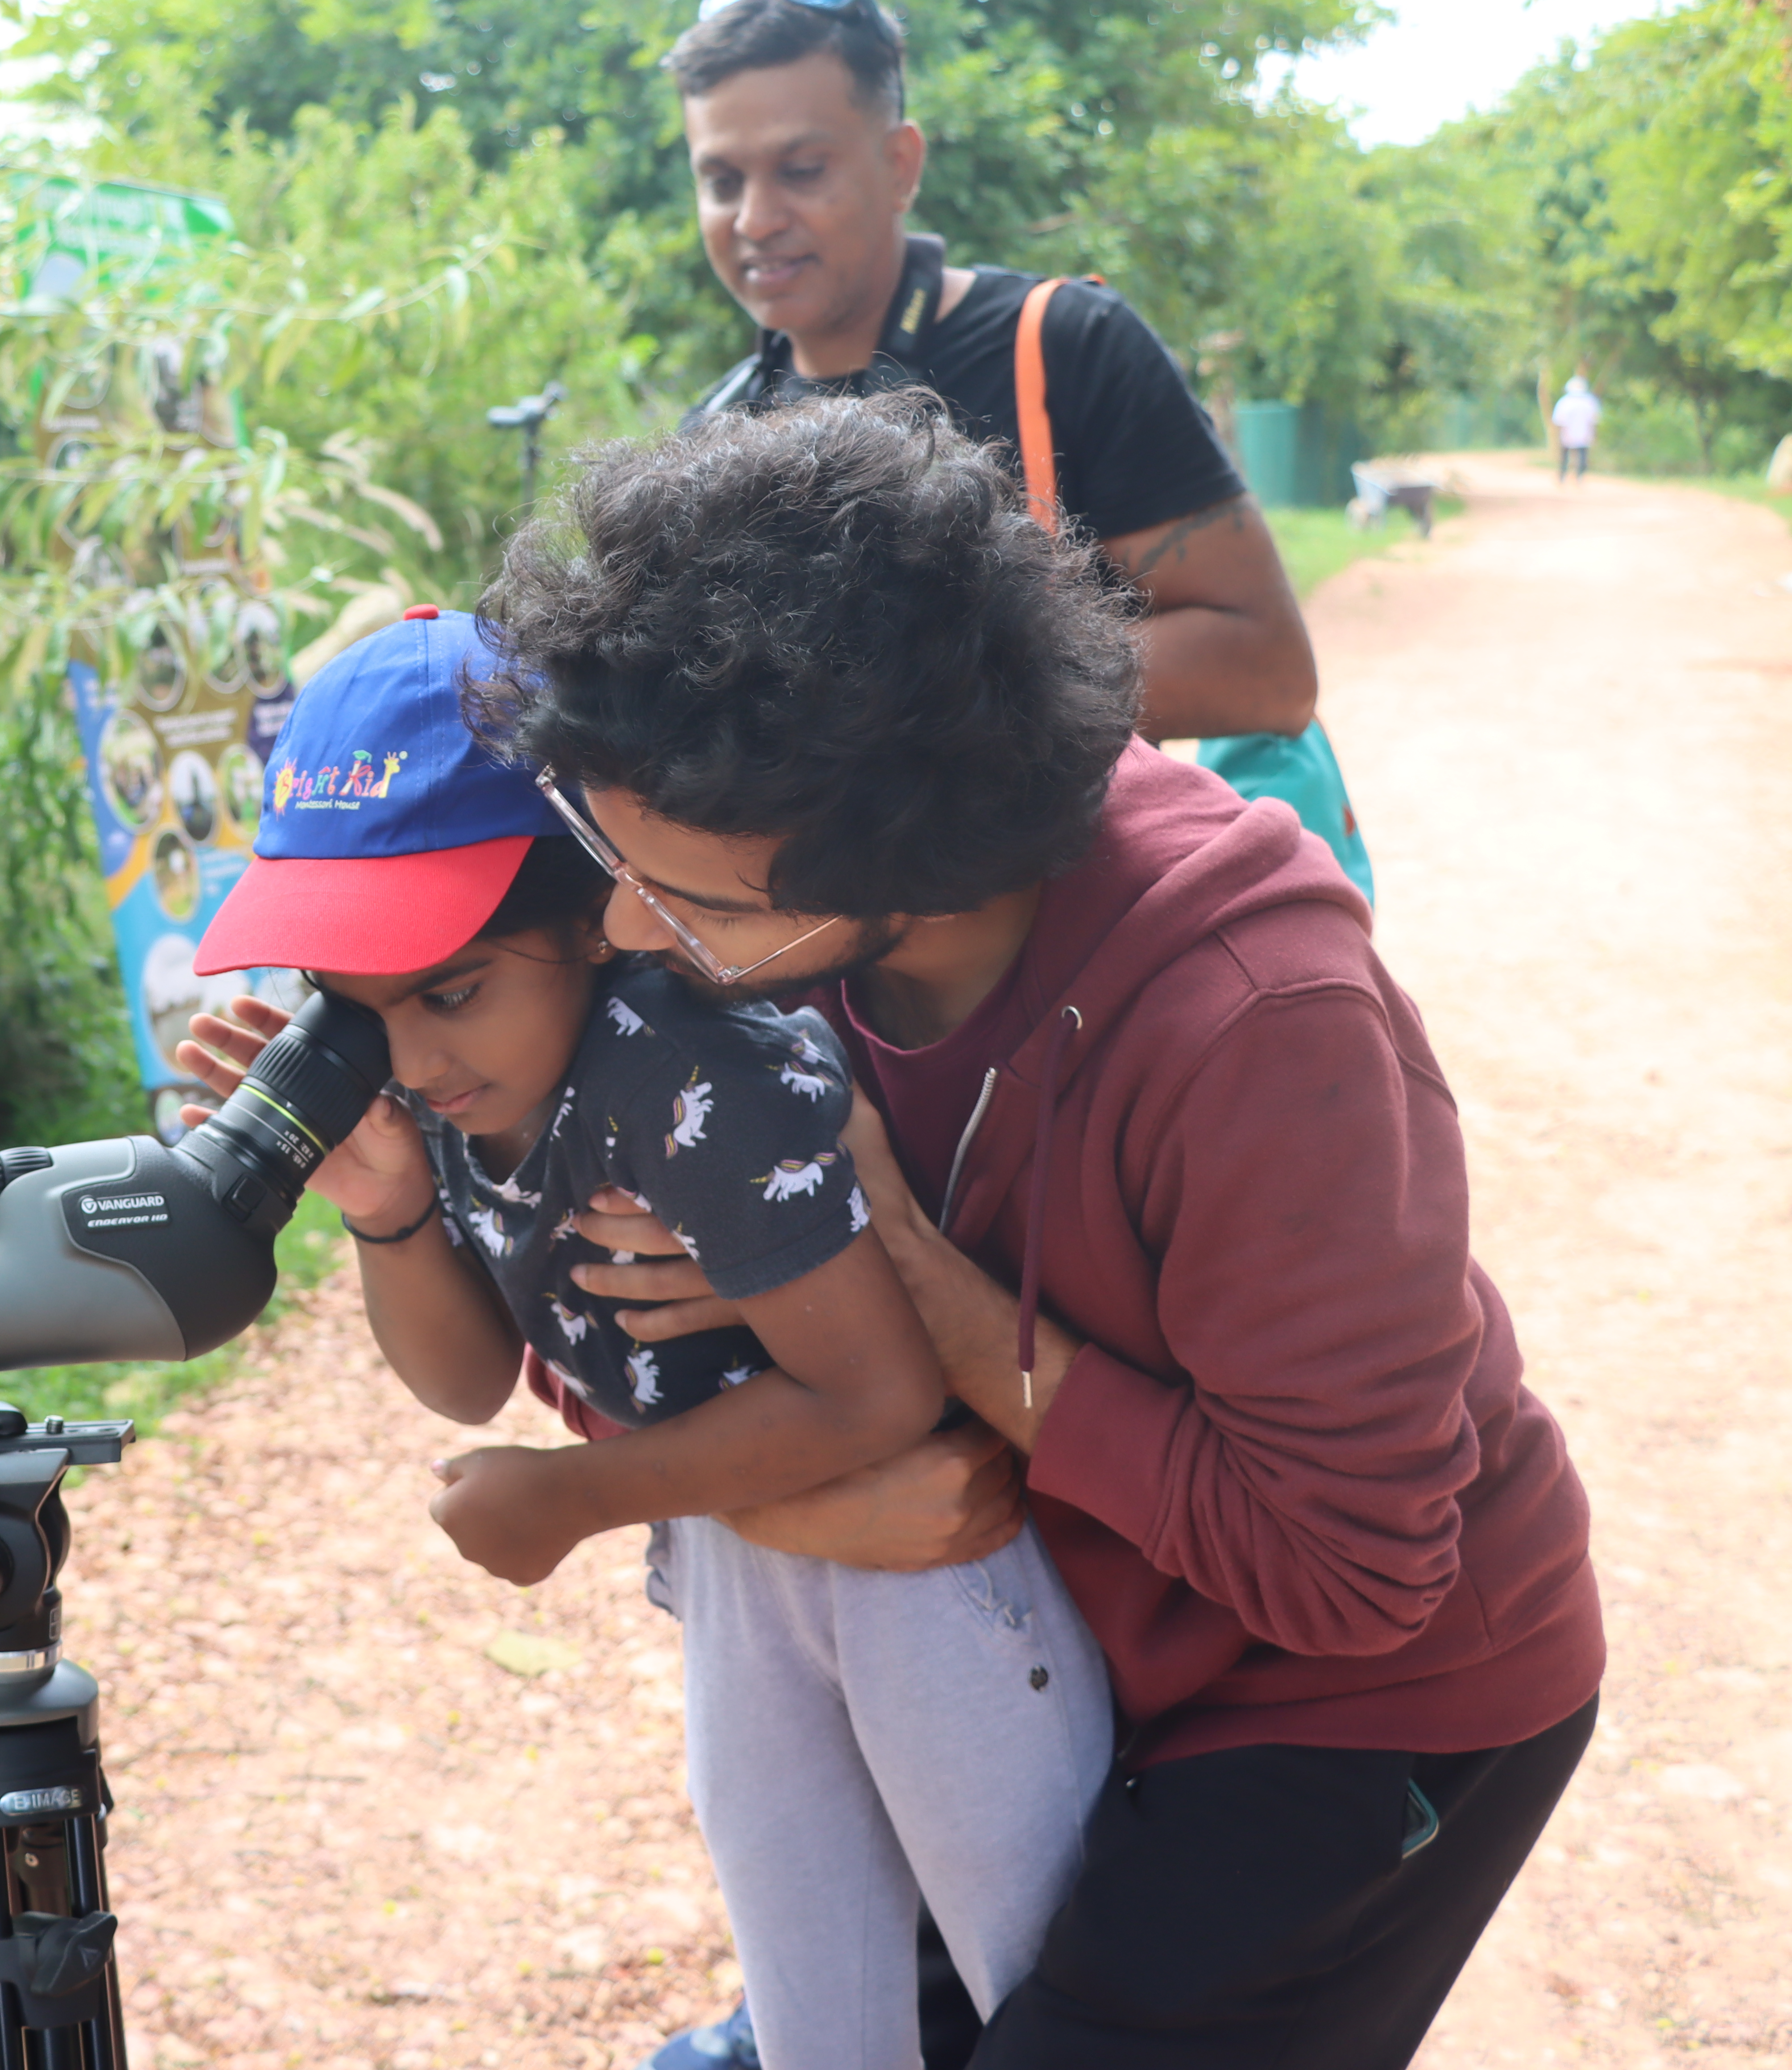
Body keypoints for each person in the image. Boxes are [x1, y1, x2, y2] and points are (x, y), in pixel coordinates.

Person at [480, 398, 1602, 2070]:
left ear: (902, 868)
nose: (634, 933)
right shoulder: (755, 945)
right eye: (611, 864)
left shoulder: (1252, 1023)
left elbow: (1352, 1572)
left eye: (693, 899)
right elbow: (638, 1352)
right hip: (1061, 1632)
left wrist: (925, 1305)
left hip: (1355, 1708)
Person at [175, 608, 1114, 2065]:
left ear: (593, 906)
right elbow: (467, 1374)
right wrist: (388, 1211)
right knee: (818, 1996)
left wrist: (576, 1497)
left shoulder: (695, 1071)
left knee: (1038, 1981)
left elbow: (877, 1391)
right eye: (359, 1009)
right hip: (747, 1549)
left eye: (453, 989)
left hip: (924, 1567)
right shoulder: (449, 1078)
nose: (416, 1057)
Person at [670, 0, 1314, 749]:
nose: (755, 218)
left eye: (802, 170)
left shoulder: (1068, 345)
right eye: (720, 181)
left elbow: (1272, 670)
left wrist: (933, 707)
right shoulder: (712, 434)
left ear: (901, 165)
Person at [1552, 374, 1602, 484]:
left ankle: (1563, 476)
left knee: (1565, 456)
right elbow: (1594, 420)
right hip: (1584, 434)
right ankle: (1579, 477)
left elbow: (1559, 421)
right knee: (1583, 456)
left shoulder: (1565, 402)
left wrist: (1559, 435)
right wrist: (1594, 434)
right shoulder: (1590, 401)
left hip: (1567, 433)